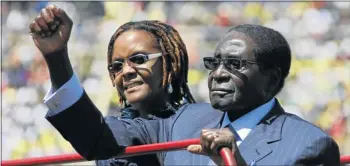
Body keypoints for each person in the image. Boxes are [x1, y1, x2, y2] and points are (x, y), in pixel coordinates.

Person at [30, 5, 340, 166]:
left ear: (272, 79)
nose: (218, 74)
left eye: (234, 65)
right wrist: (57, 59)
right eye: (213, 63)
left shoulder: (309, 144)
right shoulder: (181, 122)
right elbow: (98, 140)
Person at [29, 5, 195, 166]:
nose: (126, 71)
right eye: (117, 66)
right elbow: (94, 135)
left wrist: (57, 56)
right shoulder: (116, 132)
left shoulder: (197, 119)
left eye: (139, 59)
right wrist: (55, 55)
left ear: (170, 63)